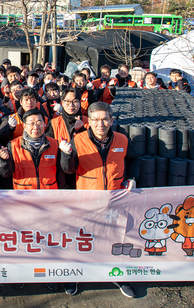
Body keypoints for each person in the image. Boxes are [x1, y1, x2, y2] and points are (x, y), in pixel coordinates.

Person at [59, 101, 138, 298]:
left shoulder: (122, 140)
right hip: (86, 200)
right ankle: (74, 275)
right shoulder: (78, 140)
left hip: (114, 200)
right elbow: (68, 169)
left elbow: (134, 158)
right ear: (89, 121)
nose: (100, 124)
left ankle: (118, 276)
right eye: (95, 120)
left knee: (113, 239)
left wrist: (132, 178)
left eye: (104, 119)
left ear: (111, 121)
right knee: (82, 239)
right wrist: (66, 155)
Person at [0, 108, 65, 190]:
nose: (36, 127)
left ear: (44, 124)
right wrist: (4, 161)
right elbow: (5, 173)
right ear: (24, 126)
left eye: (39, 123)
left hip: (49, 194)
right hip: (23, 194)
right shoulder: (13, 145)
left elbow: (60, 174)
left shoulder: (54, 144)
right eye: (31, 124)